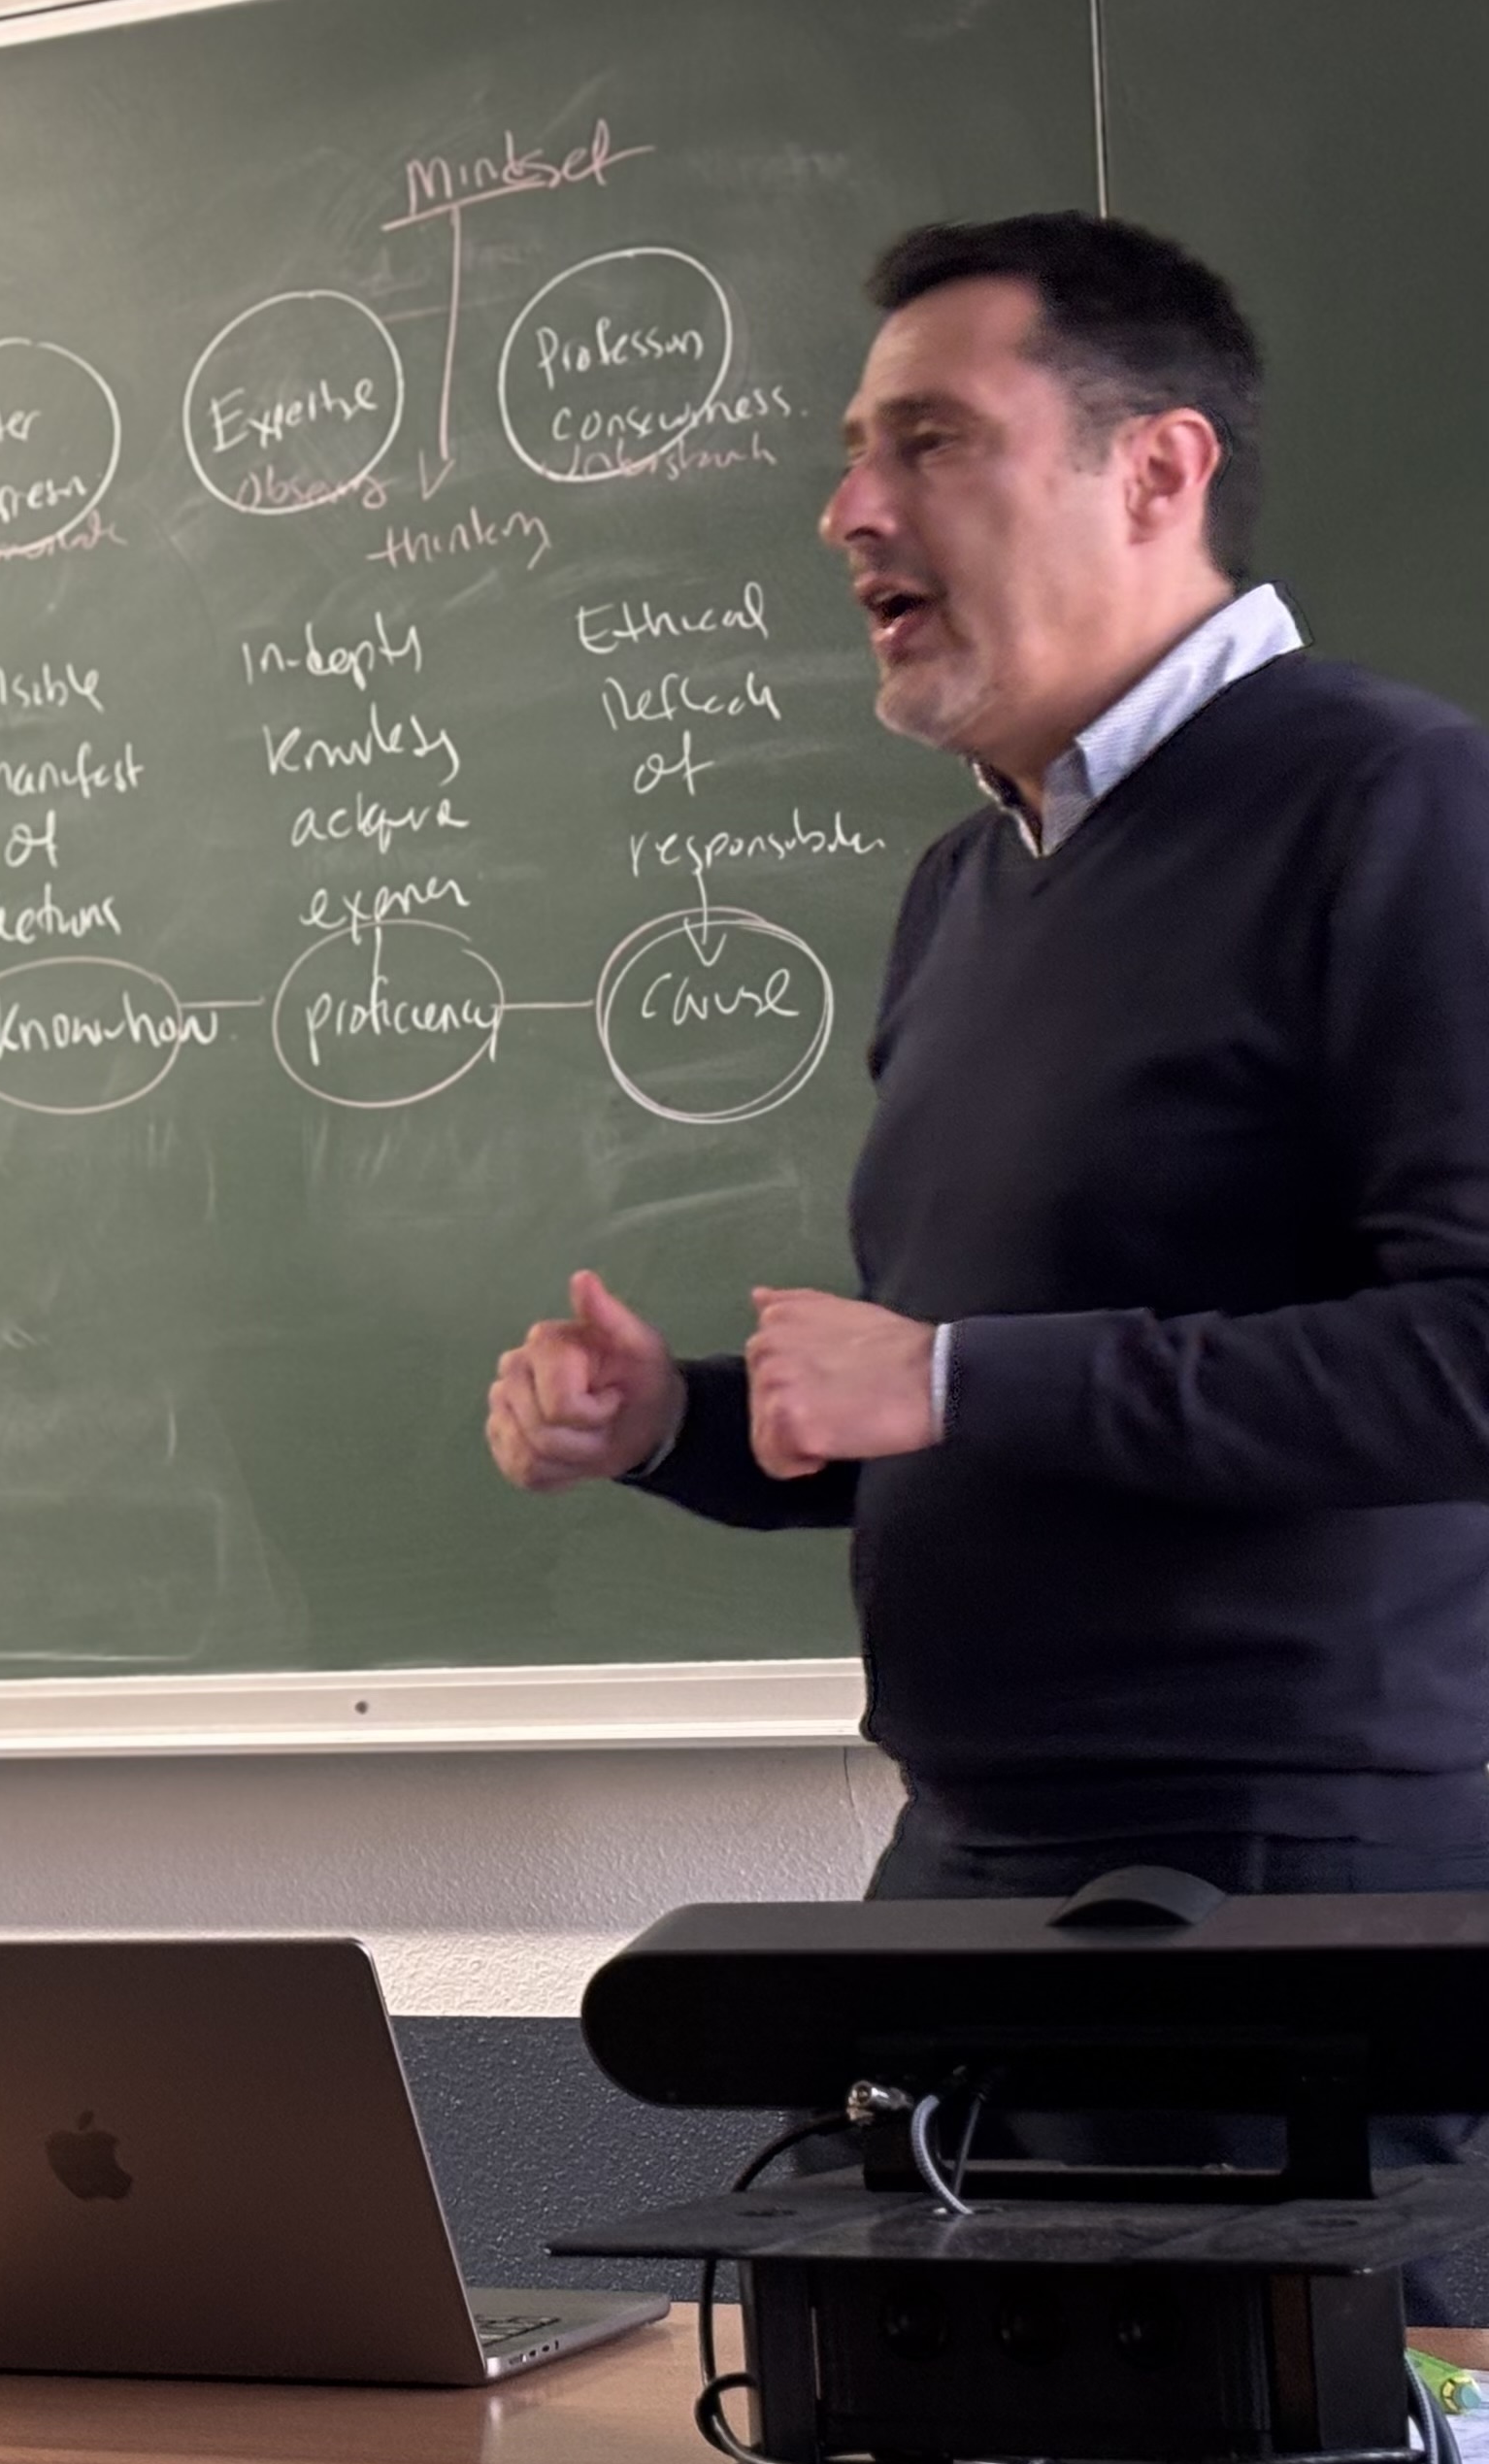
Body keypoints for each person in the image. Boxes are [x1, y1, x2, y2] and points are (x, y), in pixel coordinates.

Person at [485, 212, 1489, 1908]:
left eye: (932, 442)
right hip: (975, 1852)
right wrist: (675, 1425)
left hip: (1286, 1872)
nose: (850, 511)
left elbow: (1468, 1362)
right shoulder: (967, 883)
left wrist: (953, 1377)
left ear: (1158, 471)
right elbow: (966, 1406)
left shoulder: (1396, 802)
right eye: (854, 455)